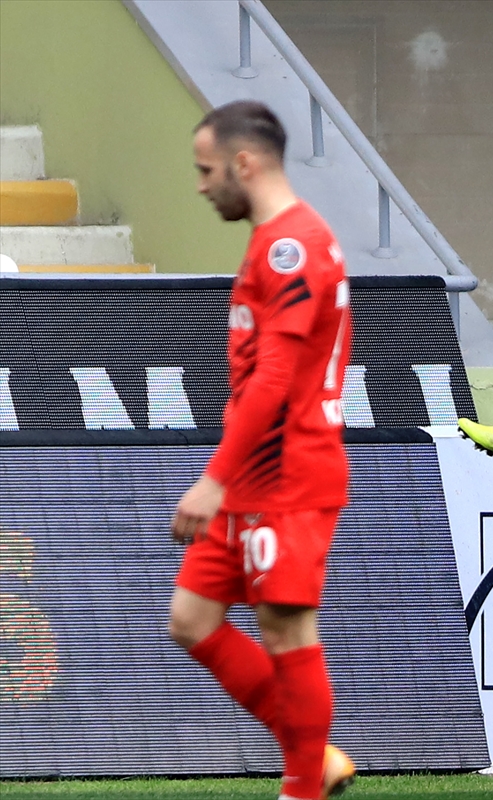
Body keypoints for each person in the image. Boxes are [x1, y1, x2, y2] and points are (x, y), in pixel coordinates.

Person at [166, 100, 355, 800]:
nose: (200, 185)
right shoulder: (273, 239)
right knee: (192, 619)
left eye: (206, 170)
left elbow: (275, 378)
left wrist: (213, 478)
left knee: (286, 631)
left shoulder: (293, 246)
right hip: (254, 471)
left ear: (243, 163)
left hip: (290, 470)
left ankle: (301, 786)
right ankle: (314, 759)